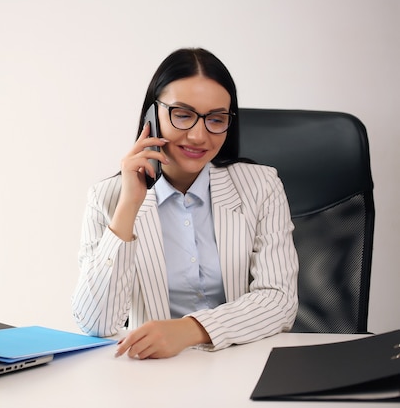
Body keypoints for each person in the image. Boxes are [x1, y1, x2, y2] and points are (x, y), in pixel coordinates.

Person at [71, 47, 298, 359]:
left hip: (244, 363)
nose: (198, 136)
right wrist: (128, 206)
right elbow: (95, 324)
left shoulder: (261, 186)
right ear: (153, 115)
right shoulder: (108, 198)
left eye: (216, 119)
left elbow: (279, 300)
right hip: (155, 374)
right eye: (182, 114)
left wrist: (190, 329)